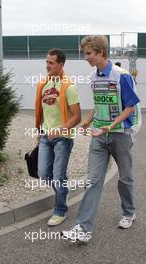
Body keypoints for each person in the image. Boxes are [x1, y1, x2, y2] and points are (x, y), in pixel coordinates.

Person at [61, 35, 141, 243]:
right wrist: (88, 121)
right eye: (85, 53)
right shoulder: (93, 77)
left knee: (125, 178)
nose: (85, 57)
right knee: (93, 181)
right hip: (99, 135)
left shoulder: (121, 75)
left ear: (100, 53)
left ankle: (129, 212)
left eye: (88, 53)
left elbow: (130, 107)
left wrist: (111, 126)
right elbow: (99, 105)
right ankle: (83, 229)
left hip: (120, 134)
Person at [35, 48, 81, 226]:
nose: (47, 65)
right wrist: (40, 132)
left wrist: (61, 130)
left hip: (63, 138)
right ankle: (63, 192)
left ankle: (60, 210)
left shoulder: (69, 87)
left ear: (61, 64)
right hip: (46, 137)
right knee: (43, 173)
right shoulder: (43, 84)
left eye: (51, 63)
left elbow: (77, 117)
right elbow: (42, 112)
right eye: (46, 62)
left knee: (57, 176)